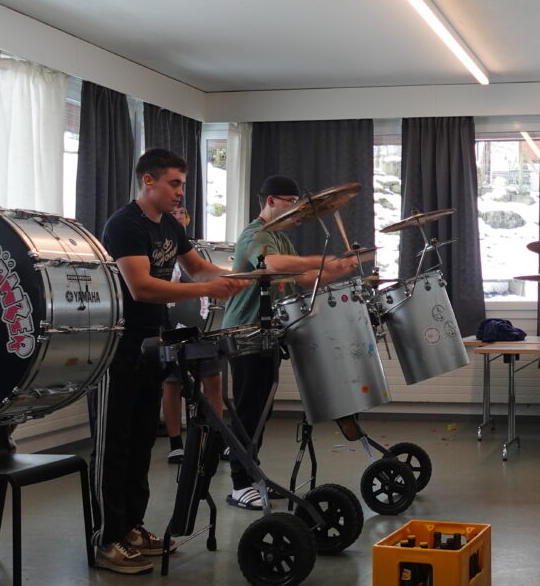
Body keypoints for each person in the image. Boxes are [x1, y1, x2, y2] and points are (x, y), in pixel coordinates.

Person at [90, 148, 248, 574]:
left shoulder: (169, 226)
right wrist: (207, 290)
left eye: (182, 184)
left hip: (150, 346)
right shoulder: (125, 224)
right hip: (118, 346)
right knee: (114, 445)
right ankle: (106, 540)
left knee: (142, 441)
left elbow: (197, 268)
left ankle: (131, 528)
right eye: (174, 184)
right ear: (148, 181)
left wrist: (238, 277)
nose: (180, 192)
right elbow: (141, 288)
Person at [221, 175, 359, 510]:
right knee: (248, 410)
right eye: (290, 202)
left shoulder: (281, 238)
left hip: (267, 333)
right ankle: (240, 485)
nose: (297, 209)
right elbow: (274, 265)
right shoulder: (255, 233)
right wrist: (320, 259)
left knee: (261, 411)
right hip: (244, 331)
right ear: (270, 201)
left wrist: (340, 268)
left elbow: (306, 278)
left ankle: (252, 476)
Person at [161, 204, 225, 464]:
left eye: (182, 213)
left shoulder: (195, 252)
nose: (178, 216)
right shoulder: (160, 251)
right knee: (172, 383)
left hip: (201, 327)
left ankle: (217, 438)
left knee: (213, 380)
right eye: (173, 213)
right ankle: (176, 443)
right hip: (170, 327)